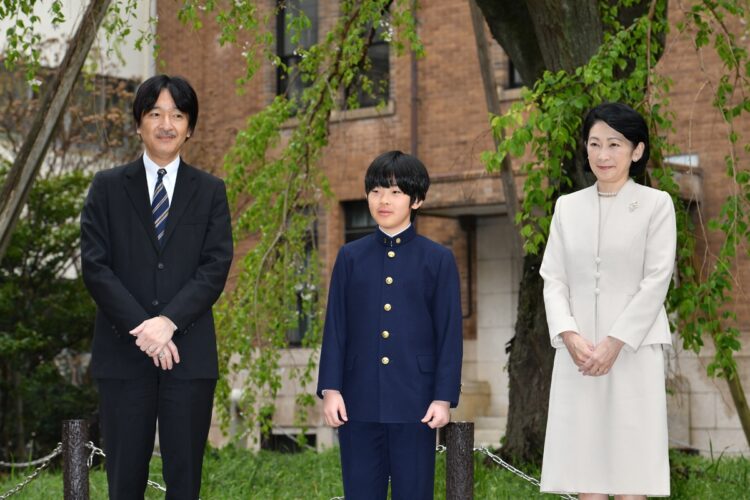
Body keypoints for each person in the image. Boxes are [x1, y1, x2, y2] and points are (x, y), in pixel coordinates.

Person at [80, 74, 233, 499]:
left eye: (177, 115)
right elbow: (95, 267)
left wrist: (168, 322)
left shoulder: (210, 192)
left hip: (189, 356)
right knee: (124, 481)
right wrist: (144, 329)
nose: (167, 124)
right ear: (138, 124)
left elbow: (215, 266)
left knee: (185, 482)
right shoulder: (107, 188)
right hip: (123, 356)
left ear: (190, 127)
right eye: (155, 114)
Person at [539, 102, 676, 498]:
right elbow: (553, 278)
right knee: (585, 472)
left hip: (632, 352)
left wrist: (615, 342)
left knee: (633, 471)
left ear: (637, 150)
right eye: (595, 143)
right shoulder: (567, 207)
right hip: (578, 355)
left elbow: (656, 280)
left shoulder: (656, 205)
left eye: (615, 144)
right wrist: (570, 336)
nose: (603, 154)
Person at [316, 151, 463, 500]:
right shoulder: (350, 257)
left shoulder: (438, 259)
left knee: (414, 492)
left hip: (416, 401)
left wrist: (443, 398)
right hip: (357, 399)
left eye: (396, 192)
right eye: (377, 190)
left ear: (417, 200)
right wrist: (331, 389)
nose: (384, 200)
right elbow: (335, 326)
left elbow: (449, 334)